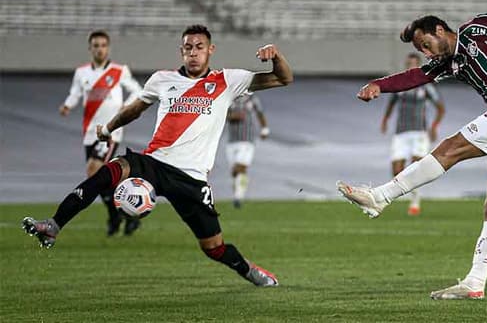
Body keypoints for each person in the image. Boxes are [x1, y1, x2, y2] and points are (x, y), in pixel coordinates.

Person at [23, 25, 293, 287]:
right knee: (106, 172)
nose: (194, 52)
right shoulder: (162, 79)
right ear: (181, 51)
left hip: (192, 178)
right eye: (188, 47)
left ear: (211, 50)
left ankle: (249, 271)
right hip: (154, 162)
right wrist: (107, 129)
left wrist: (276, 56)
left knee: (213, 247)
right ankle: (54, 224)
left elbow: (283, 78)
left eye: (200, 47)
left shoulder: (227, 80)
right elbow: (135, 109)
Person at [337, 13, 487, 300]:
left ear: (440, 30)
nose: (426, 53)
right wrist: (379, 84)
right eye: (420, 50)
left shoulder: (478, 27)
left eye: (426, 44)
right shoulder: (447, 62)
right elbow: (418, 76)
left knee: (451, 147)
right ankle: (476, 281)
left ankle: (381, 196)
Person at [59, 30, 142, 236]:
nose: (100, 49)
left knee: (94, 171)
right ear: (90, 49)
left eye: (103, 45)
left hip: (110, 130)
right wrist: (68, 105)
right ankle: (126, 216)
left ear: (108, 48)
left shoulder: (119, 70)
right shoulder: (82, 72)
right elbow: (75, 93)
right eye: (96, 45)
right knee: (102, 178)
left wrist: (126, 105)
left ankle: (116, 217)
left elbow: (137, 90)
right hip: (90, 130)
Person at [381, 53, 445, 215]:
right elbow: (390, 104)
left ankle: (415, 201)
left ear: (419, 65)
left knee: (416, 167)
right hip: (401, 131)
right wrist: (385, 120)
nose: (411, 66)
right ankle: (409, 195)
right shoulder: (399, 85)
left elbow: (440, 107)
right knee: (396, 169)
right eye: (409, 63)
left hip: (419, 131)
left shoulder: (426, 86)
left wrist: (434, 126)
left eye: (414, 64)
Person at [226, 94, 270, 208]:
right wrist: (232, 117)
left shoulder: (252, 99)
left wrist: (264, 129)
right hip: (232, 140)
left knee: (240, 167)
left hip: (247, 140)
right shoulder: (230, 97)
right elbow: (220, 114)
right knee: (235, 172)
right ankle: (238, 194)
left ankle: (238, 197)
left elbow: (260, 113)